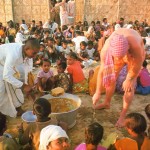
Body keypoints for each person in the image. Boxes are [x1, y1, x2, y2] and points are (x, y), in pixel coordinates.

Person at [92, 28, 145, 127]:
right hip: (117, 53)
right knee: (111, 78)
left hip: (133, 58)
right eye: (117, 57)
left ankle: (122, 116)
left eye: (121, 56)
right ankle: (106, 103)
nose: (119, 59)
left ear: (128, 48)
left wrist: (129, 79)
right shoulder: (106, 50)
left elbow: (138, 64)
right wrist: (97, 92)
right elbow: (102, 72)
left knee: (129, 86)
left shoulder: (135, 46)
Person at [0, 38, 40, 117]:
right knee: (1, 90)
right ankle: (2, 112)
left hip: (5, 65)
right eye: (34, 53)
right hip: (1, 66)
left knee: (15, 84)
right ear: (27, 49)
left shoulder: (25, 52)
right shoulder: (14, 54)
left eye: (36, 54)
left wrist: (27, 85)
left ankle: (18, 108)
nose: (35, 56)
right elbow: (6, 75)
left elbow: (26, 72)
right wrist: (23, 86)